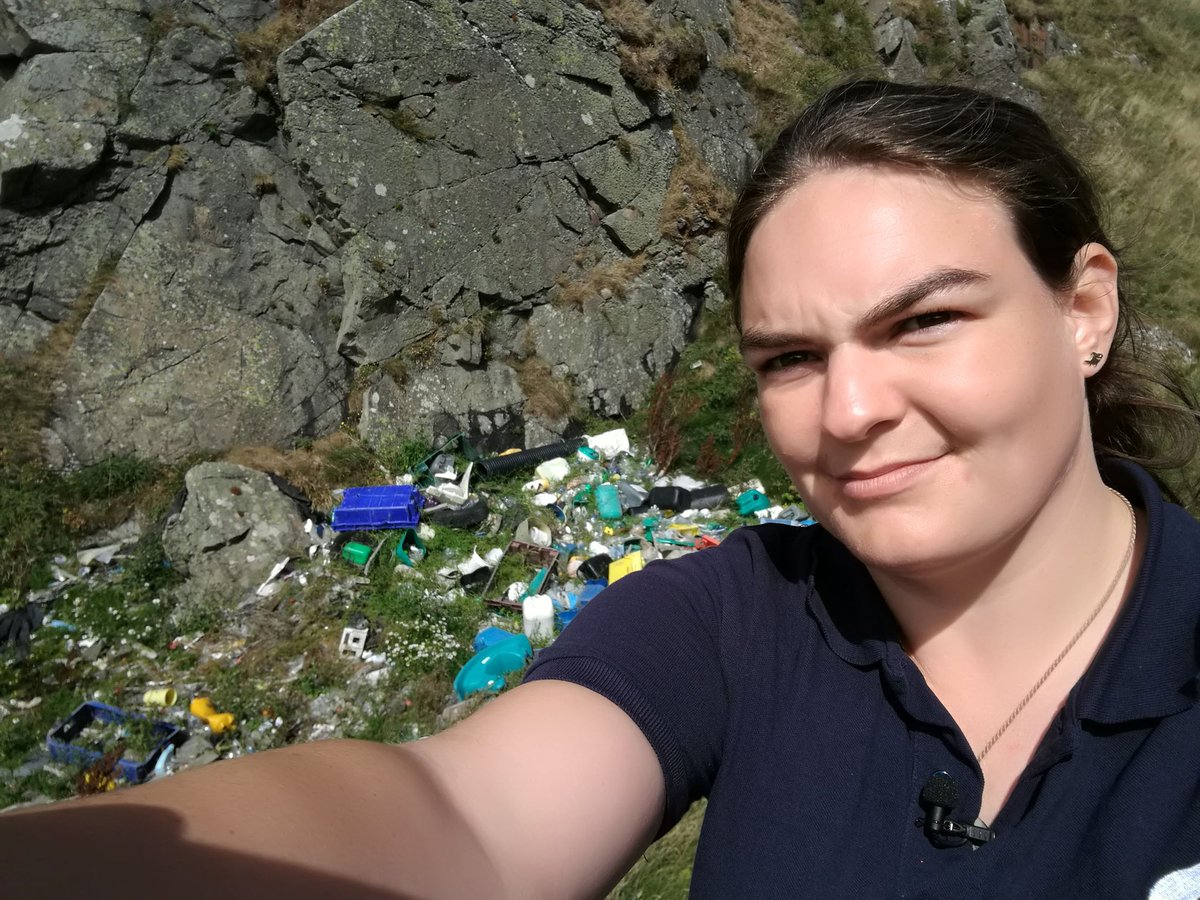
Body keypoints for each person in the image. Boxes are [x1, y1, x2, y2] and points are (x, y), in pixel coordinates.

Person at [3, 79, 1200, 898]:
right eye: (790, 357)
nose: (846, 412)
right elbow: (459, 819)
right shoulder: (736, 620)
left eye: (925, 320)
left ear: (1081, 309)